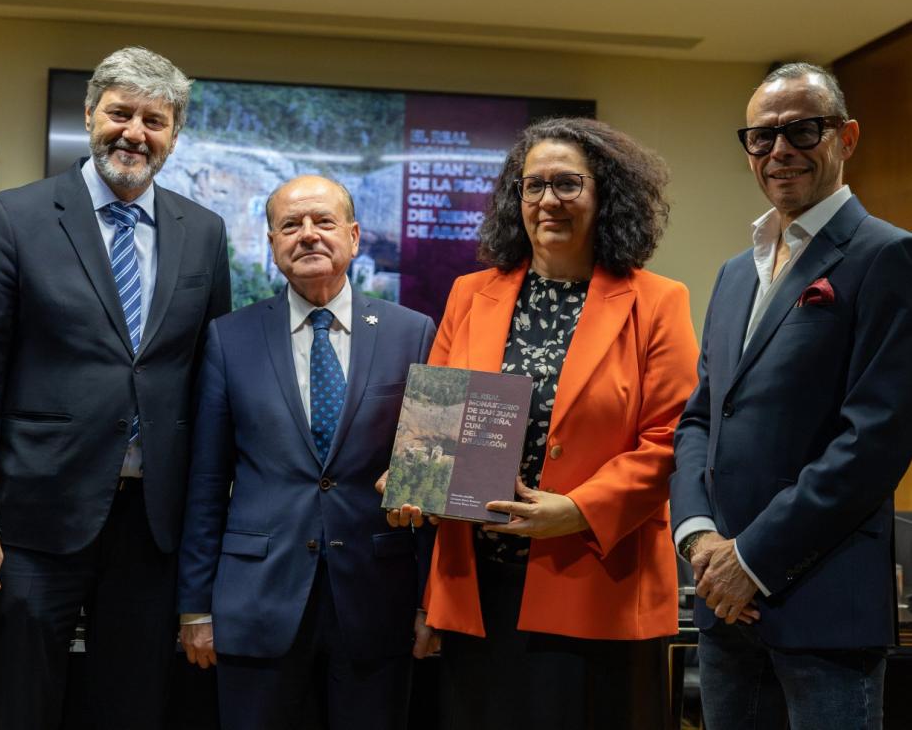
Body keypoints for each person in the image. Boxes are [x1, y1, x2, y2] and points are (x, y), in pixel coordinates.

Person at [0, 46, 231, 729]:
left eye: (154, 120)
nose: (134, 132)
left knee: (131, 704)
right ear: (91, 113)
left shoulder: (204, 232)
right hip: (36, 517)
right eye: (120, 113)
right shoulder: (17, 217)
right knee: (21, 702)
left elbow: (208, 383)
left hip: (152, 523)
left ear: (174, 134)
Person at [383, 116, 699, 729]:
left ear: (605, 194)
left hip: (595, 580)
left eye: (567, 184)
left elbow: (671, 439)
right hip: (479, 586)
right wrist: (416, 479)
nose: (548, 200)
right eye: (533, 186)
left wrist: (578, 509)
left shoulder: (657, 301)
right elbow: (439, 423)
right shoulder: (470, 293)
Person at [670, 62, 912, 730]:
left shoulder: (888, 256)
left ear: (847, 136)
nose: (779, 151)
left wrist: (752, 557)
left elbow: (874, 441)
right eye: (760, 137)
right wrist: (698, 539)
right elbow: (699, 419)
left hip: (821, 610)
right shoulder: (732, 272)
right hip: (724, 607)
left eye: (802, 131)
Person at [176, 175, 436, 730]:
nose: (308, 235)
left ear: (354, 235)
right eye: (290, 225)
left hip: (376, 600)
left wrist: (429, 601)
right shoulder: (230, 338)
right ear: (271, 244)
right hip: (256, 601)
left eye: (323, 221)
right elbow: (205, 481)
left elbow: (427, 478)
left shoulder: (412, 333)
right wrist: (195, 606)